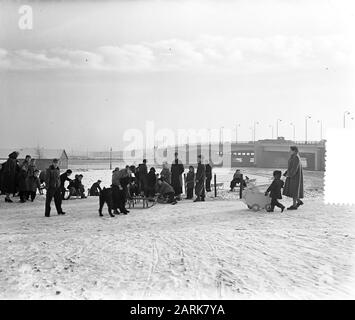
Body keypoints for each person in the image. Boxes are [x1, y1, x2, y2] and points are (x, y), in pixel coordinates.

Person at [283, 146, 304, 210]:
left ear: (294, 150)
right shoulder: (293, 157)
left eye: (290, 150)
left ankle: (294, 205)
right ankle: (299, 202)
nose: (289, 151)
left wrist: (289, 174)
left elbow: (295, 168)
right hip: (293, 176)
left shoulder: (296, 158)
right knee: (293, 190)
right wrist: (286, 172)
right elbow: (291, 166)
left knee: (294, 190)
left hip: (295, 177)